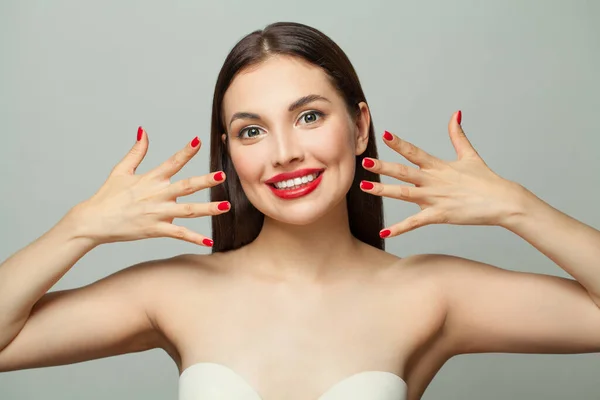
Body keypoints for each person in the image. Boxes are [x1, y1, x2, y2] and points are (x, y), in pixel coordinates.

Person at [0, 21, 599, 400]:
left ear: (360, 126)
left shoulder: (432, 293)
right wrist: (79, 229)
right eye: (251, 131)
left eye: (309, 116)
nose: (285, 153)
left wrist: (517, 208)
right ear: (230, 154)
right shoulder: (176, 290)